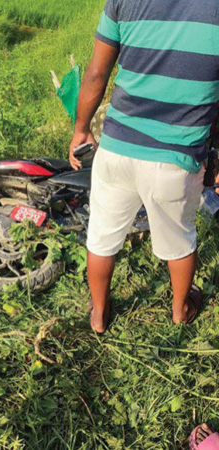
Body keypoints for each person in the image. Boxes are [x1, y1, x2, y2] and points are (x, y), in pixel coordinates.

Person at [69, 0, 219, 333]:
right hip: (175, 159)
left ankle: (98, 314)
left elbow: (96, 73)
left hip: (116, 149)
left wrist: (81, 129)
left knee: (101, 236)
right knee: (179, 240)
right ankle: (180, 310)